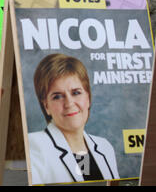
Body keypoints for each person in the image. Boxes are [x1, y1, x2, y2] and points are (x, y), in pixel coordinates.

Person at [28, 53, 120, 185]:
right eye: (57, 96)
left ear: (88, 97)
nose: (69, 103)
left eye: (76, 93)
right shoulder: (34, 146)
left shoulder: (104, 147)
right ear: (46, 106)